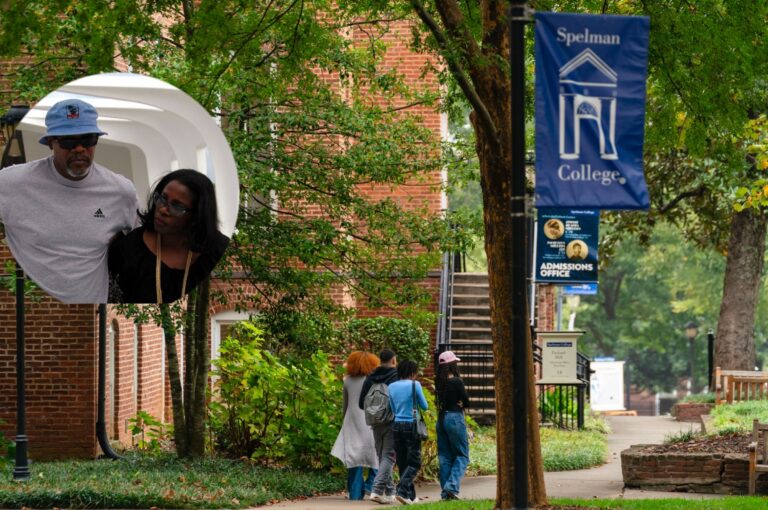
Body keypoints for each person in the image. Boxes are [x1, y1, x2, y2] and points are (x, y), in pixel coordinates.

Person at [0, 98, 140, 303]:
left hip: (91, 310)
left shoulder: (120, 191)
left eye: (88, 139)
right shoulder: (11, 183)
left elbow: (144, 249)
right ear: (50, 143)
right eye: (68, 141)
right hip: (33, 309)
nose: (79, 149)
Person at [108, 169, 229, 303]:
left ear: (197, 215)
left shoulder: (219, 250)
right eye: (162, 199)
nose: (163, 209)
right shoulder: (128, 250)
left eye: (177, 206)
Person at [331, 351, 380, 500]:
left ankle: (355, 494)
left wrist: (343, 422)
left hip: (352, 422)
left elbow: (345, 406)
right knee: (376, 456)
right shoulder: (375, 380)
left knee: (354, 458)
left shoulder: (347, 381)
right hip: (371, 421)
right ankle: (370, 486)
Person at [358, 348, 398, 504]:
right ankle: (377, 490)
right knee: (388, 456)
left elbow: (361, 403)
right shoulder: (396, 377)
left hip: (375, 422)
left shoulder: (370, 377)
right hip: (391, 421)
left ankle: (390, 492)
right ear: (393, 360)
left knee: (383, 456)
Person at [388, 359, 428, 505]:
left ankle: (410, 497)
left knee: (403, 461)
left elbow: (392, 408)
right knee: (415, 462)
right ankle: (401, 490)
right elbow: (425, 406)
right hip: (411, 425)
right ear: (412, 372)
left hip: (397, 425)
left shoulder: (391, 386)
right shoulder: (414, 385)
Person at [435, 350, 470, 500]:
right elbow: (466, 401)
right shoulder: (456, 381)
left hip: (441, 419)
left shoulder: (439, 381)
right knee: (462, 455)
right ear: (452, 365)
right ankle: (452, 487)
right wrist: (462, 403)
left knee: (445, 456)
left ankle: (445, 493)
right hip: (455, 418)